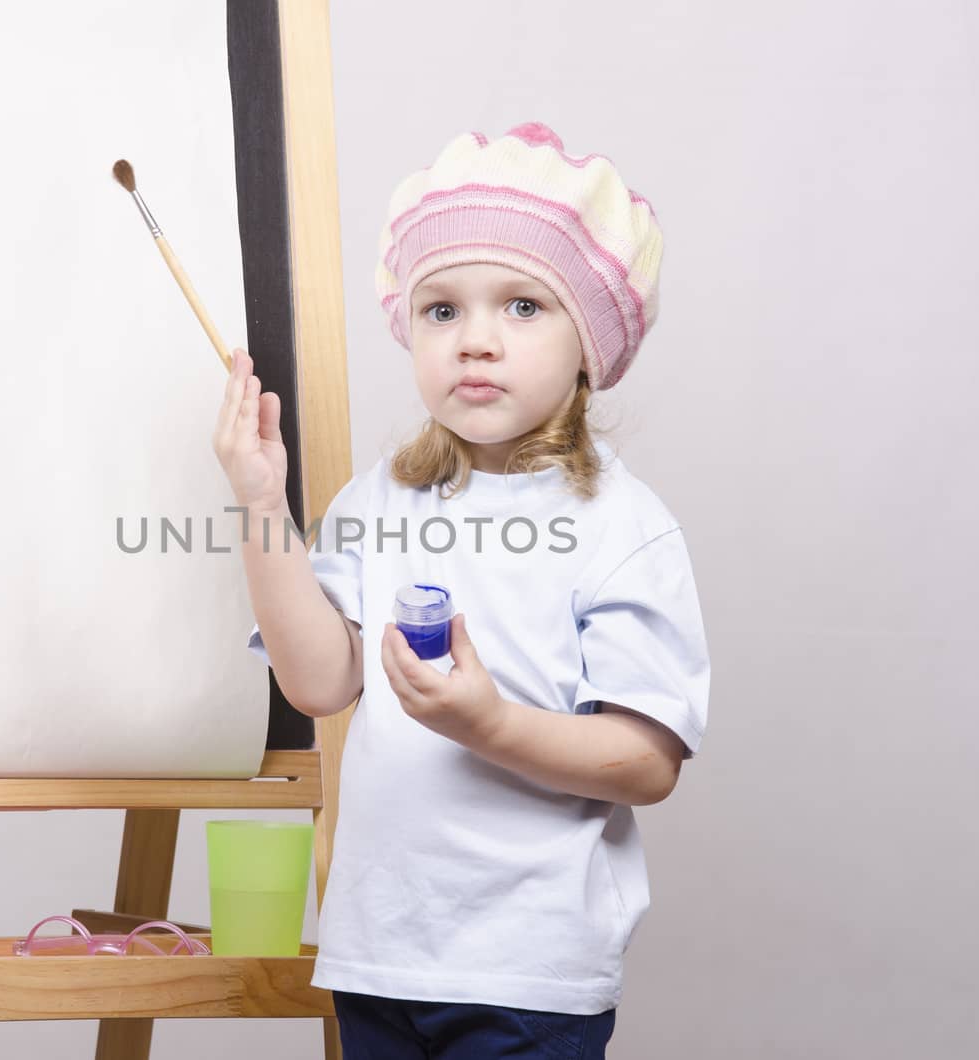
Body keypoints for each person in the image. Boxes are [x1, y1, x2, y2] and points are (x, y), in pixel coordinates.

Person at [212, 121, 709, 1058]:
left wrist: (487, 724)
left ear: (589, 347)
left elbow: (648, 762)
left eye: (523, 307)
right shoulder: (384, 497)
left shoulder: (623, 528)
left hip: (527, 972)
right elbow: (319, 682)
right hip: (382, 957)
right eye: (443, 310)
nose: (476, 340)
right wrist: (259, 498)